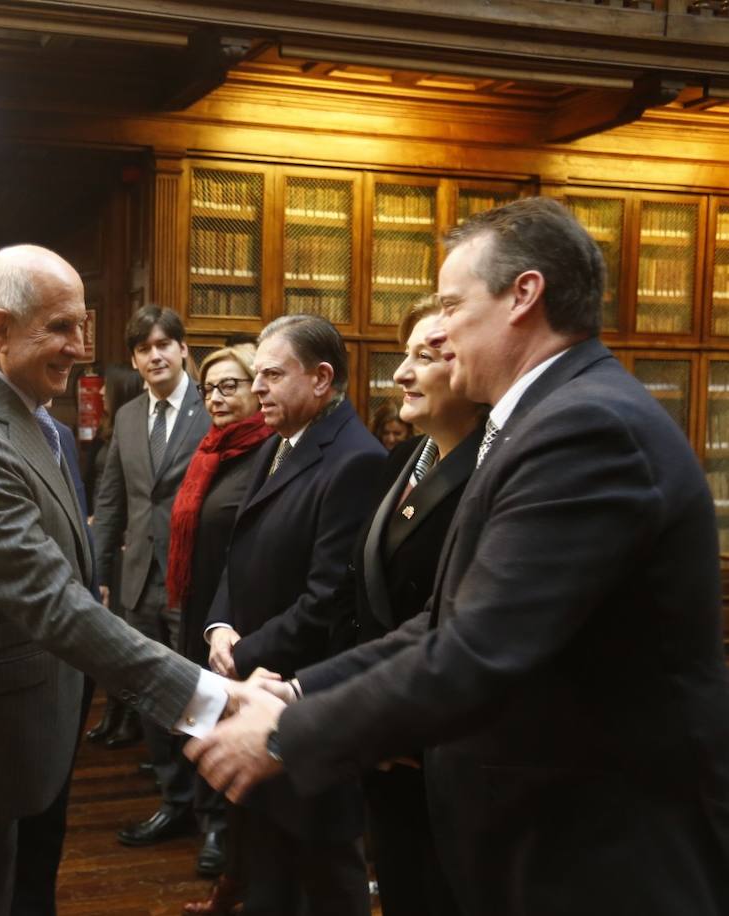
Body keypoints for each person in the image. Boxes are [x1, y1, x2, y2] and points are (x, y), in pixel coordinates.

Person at [188, 197, 729, 916]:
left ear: (523, 296)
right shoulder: (542, 420)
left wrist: (288, 732)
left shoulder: (586, 427)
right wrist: (298, 692)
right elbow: (444, 623)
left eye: (450, 303)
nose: (437, 328)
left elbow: (480, 649)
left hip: (600, 850)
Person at [0, 244, 251, 916]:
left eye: (84, 326)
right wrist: (215, 701)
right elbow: (53, 604)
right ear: (2, 329)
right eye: (61, 328)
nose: (81, 348)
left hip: (18, 736)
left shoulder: (19, 405)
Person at [201, 314, 383, 916]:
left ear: (322, 378)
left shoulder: (354, 460)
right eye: (257, 376)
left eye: (272, 376)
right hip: (255, 685)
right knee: (269, 871)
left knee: (325, 874)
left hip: (303, 698)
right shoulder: (280, 442)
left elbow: (327, 599)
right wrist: (221, 626)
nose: (257, 388)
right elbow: (240, 548)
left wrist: (244, 654)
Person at [326, 296, 480, 916]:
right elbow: (357, 588)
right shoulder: (404, 459)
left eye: (424, 356)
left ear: (473, 369)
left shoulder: (496, 473)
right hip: (384, 731)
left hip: (441, 743)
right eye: (403, 355)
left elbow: (461, 625)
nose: (400, 374)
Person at [92, 305, 212, 852]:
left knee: (202, 698)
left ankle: (216, 824)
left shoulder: (213, 407)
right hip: (138, 582)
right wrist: (98, 574)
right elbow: (112, 499)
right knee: (151, 699)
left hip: (195, 580)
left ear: (184, 349)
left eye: (165, 344)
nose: (155, 354)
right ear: (135, 359)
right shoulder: (128, 416)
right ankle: (174, 803)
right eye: (144, 348)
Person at [165, 344, 271, 911]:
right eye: (209, 388)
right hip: (199, 613)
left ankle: (226, 841)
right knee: (196, 720)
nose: (217, 397)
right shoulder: (209, 450)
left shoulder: (266, 453)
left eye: (231, 385)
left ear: (257, 388)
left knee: (228, 726)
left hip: (238, 623)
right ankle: (210, 824)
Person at [81, 363, 146, 749]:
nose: (100, 394)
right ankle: (113, 712)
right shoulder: (114, 425)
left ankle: (128, 716)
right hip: (107, 539)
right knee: (113, 640)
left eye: (107, 389)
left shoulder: (131, 428)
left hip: (128, 547)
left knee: (128, 639)